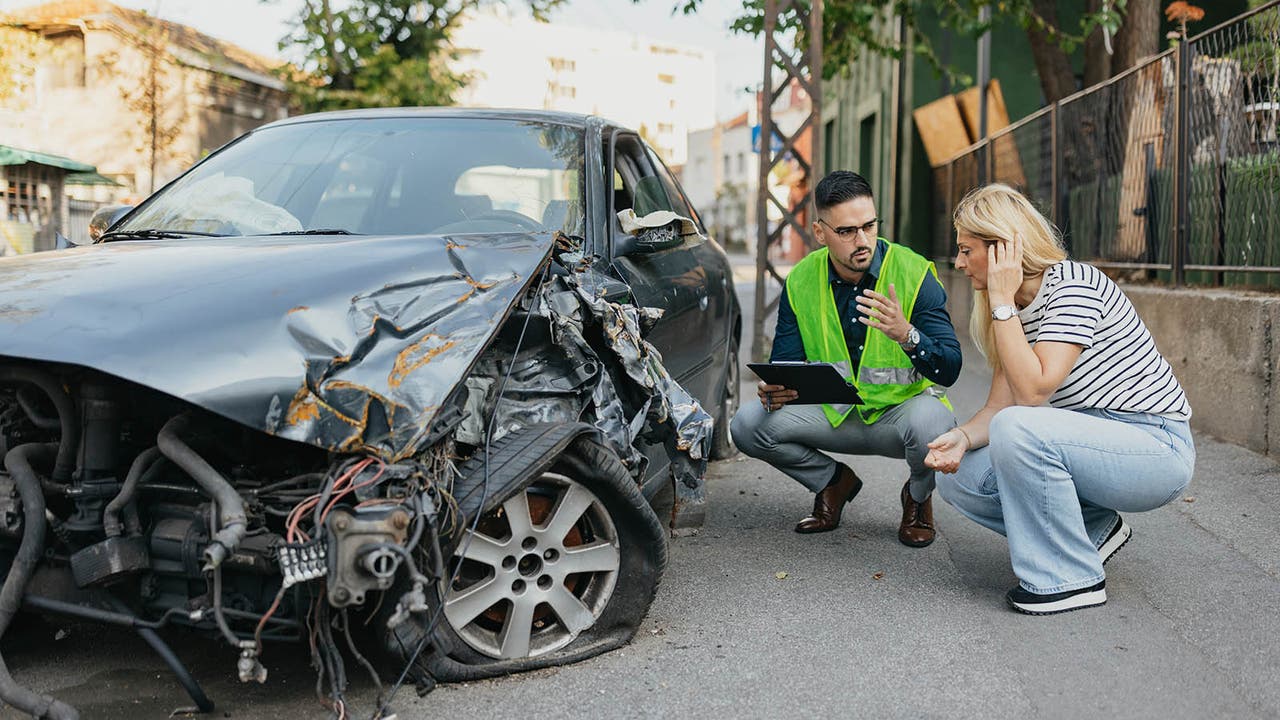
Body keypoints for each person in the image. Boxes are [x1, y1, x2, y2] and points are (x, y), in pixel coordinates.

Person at [926, 183, 1195, 615]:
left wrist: (1000, 301)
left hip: (1156, 448)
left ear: (1001, 250)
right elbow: (998, 406)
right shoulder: (1014, 307)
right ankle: (1093, 528)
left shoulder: (1074, 285)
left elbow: (1032, 393)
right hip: (1096, 442)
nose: (958, 263)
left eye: (965, 249)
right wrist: (958, 436)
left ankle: (1069, 580)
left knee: (1017, 429)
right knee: (958, 476)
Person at [731, 171, 961, 546]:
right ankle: (833, 483)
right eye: (847, 231)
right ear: (820, 233)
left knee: (933, 423)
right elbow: (786, 362)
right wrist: (776, 388)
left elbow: (950, 367)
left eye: (869, 226)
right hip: (834, 413)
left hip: (898, 418)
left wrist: (906, 334)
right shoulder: (802, 278)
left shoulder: (913, 271)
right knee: (746, 424)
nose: (862, 240)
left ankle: (918, 498)